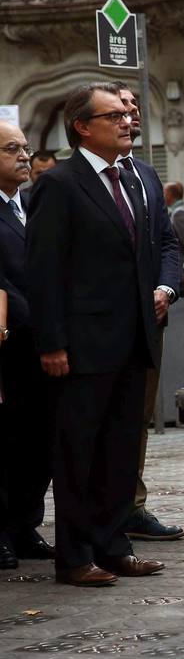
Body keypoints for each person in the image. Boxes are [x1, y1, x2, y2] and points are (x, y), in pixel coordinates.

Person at [26, 83, 165, 586]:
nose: (127, 122)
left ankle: (113, 545)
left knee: (120, 451)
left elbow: (144, 256)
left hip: (131, 341)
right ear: (83, 127)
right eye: (113, 117)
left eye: (126, 117)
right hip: (82, 347)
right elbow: (43, 271)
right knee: (78, 454)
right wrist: (52, 342)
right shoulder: (59, 185)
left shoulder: (130, 181)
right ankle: (75, 555)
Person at [116, 85, 184, 543]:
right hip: (100, 324)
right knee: (102, 420)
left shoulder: (143, 173)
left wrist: (166, 287)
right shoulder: (69, 180)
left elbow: (166, 242)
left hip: (149, 320)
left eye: (135, 108)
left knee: (138, 417)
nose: (132, 115)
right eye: (122, 109)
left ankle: (132, 506)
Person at [0, 121, 55, 567]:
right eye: (11, 149)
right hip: (10, 345)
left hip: (44, 345)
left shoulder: (34, 204)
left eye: (25, 147)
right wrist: (39, 321)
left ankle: (24, 524)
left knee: (40, 441)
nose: (23, 156)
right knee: (7, 441)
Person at [164, 181, 184, 258]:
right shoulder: (181, 210)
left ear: (170, 195)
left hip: (181, 264)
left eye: (164, 192)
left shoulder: (179, 213)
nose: (162, 196)